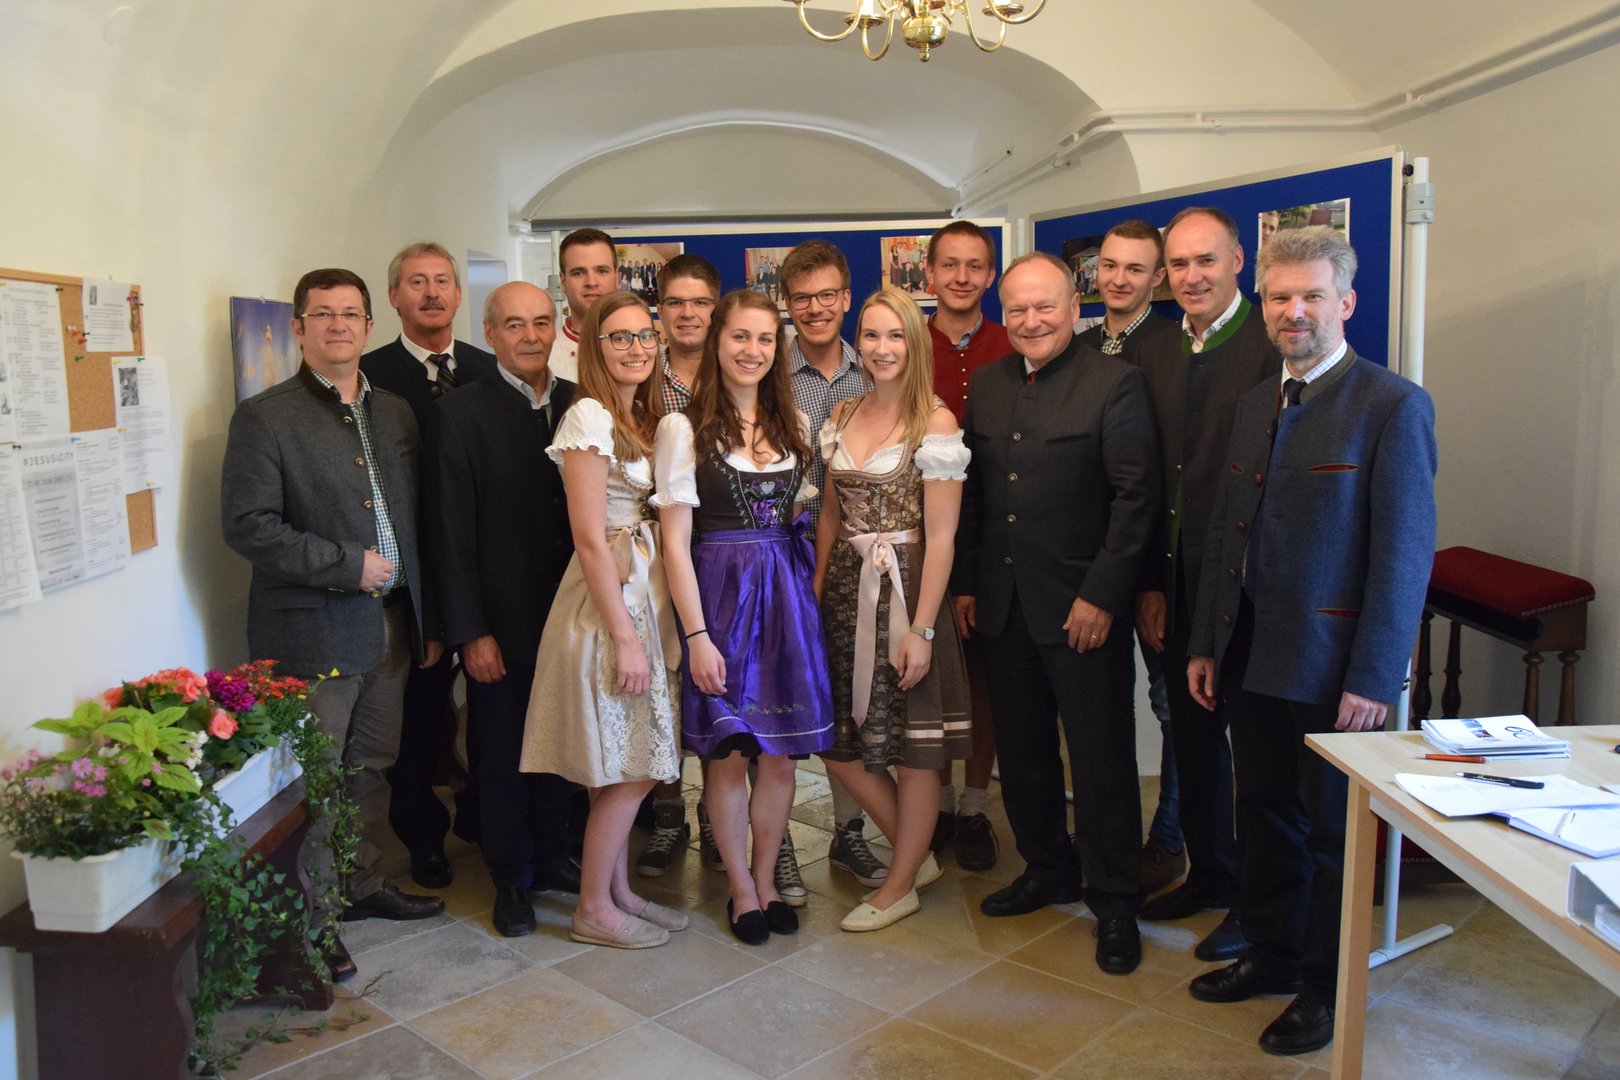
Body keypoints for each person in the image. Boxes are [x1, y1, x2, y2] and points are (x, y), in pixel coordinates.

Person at [1185, 225, 1436, 1056]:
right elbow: (1225, 534)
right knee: (1263, 812)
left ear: (1346, 303)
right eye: (1280, 297)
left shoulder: (1392, 406)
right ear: (1262, 305)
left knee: (1333, 835)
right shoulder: (1256, 401)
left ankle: (1326, 990)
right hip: (1248, 652)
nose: (1294, 311)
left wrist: (1377, 676)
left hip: (1335, 671)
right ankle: (1272, 955)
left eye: (1312, 296)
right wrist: (1205, 643)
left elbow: (1404, 556)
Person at [221, 267, 445, 984]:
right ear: (298, 328)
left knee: (371, 767)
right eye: (323, 314)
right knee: (314, 782)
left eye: (351, 313)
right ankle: (310, 925)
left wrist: (427, 613)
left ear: (370, 326)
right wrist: (347, 565)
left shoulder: (395, 412)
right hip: (313, 632)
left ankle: (362, 882)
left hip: (393, 628)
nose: (339, 325)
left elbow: (415, 516)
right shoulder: (266, 417)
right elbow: (248, 526)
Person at [951, 252, 1159, 976]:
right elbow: (977, 495)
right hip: (1003, 604)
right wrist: (968, 585)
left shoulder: (1115, 383)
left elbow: (1136, 501)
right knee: (1023, 751)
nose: (1031, 320)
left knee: (1101, 759)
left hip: (1081, 609)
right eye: (1018, 309)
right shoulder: (989, 384)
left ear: (1075, 307)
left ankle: (1116, 900)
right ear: (1003, 314)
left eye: (1045, 307)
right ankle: (1048, 868)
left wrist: (1101, 596)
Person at [654, 288, 834, 945]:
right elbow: (675, 543)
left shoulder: (795, 425)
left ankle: (765, 879)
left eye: (764, 339)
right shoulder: (682, 429)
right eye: (740, 337)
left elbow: (801, 521)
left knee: (781, 758)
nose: (752, 350)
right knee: (729, 757)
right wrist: (697, 635)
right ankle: (739, 890)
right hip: (721, 600)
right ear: (716, 340)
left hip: (784, 601)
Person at [1135, 208, 1283, 963]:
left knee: (1254, 753)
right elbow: (1153, 478)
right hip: (1177, 583)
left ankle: (1256, 905)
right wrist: (1152, 583)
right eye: (1180, 264)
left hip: (1249, 589)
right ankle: (1210, 873)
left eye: (1207, 261)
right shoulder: (1158, 350)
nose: (1192, 277)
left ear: (1239, 261)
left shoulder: (1271, 346)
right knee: (1191, 740)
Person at [518, 291, 685, 950]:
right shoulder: (588, 413)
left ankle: (617, 892)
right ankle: (592, 908)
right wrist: (624, 638)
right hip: (608, 604)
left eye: (645, 335)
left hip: (642, 592)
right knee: (636, 765)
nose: (636, 347)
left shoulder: (638, 413)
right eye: (619, 337)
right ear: (594, 346)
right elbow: (589, 539)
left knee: (619, 762)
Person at [425, 282, 581, 937]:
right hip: (500, 623)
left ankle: (554, 855)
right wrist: (471, 631)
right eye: (514, 324)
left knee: (562, 745)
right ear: (488, 334)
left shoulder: (578, 403)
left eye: (541, 322)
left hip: (570, 617)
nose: (530, 336)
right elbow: (448, 531)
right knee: (503, 753)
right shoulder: (460, 413)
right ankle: (510, 875)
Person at [815, 286, 970, 932]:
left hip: (906, 590)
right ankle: (916, 854)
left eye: (895, 335)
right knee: (833, 738)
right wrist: (816, 590)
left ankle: (899, 883)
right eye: (871, 335)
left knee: (913, 746)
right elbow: (830, 514)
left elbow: (942, 537)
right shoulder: (844, 409)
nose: (881, 348)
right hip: (846, 587)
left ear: (915, 343)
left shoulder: (935, 423)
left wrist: (924, 629)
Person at [361, 241, 497, 890]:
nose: (432, 293)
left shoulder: (487, 367)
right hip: (410, 578)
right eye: (417, 282)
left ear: (459, 294)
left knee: (491, 707)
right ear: (394, 296)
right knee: (417, 714)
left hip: (482, 569)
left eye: (443, 281)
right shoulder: (370, 376)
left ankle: (482, 812)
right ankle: (422, 836)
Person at [1077, 220, 1186, 896]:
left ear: (1159, 279)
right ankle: (1103, 837)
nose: (1118, 279)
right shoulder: (1081, 344)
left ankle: (1169, 836)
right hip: (1089, 566)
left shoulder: (1173, 347)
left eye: (1135, 269)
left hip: (1153, 568)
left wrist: (1152, 581)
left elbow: (1161, 478)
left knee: (1171, 704)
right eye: (1109, 266)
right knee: (1099, 708)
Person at [779, 239, 890, 900]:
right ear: (786, 304)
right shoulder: (768, 367)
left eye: (827, 295)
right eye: (802, 298)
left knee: (851, 696)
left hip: (855, 551)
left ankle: (849, 833)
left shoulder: (874, 365)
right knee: (777, 692)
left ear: (846, 297)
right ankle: (777, 844)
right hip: (776, 548)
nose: (816, 308)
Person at [921, 220, 1009, 873]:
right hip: (921, 537)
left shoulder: (1011, 343)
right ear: (928, 273)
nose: (961, 276)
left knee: (983, 679)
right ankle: (938, 806)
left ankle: (974, 806)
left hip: (995, 538)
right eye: (949, 264)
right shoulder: (903, 342)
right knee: (927, 676)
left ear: (990, 275)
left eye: (974, 265)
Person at [634, 252, 723, 879]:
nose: (687, 314)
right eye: (675, 303)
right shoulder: (641, 375)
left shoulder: (736, 369)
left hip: (718, 553)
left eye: (700, 303)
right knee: (665, 689)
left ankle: (718, 818)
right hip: (652, 554)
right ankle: (668, 815)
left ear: (716, 309)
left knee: (717, 682)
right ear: (659, 311)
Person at [552, 228, 620, 383]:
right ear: (563, 281)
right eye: (578, 273)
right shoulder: (545, 357)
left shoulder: (648, 353)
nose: (591, 282)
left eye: (601, 271)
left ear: (617, 277)